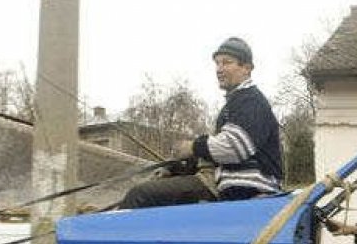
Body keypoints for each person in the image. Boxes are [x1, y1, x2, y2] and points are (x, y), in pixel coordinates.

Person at [119, 37, 284, 209]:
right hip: (233, 190)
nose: (219, 69)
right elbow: (217, 156)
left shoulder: (251, 101)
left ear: (247, 68)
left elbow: (233, 148)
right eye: (217, 64)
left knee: (140, 195)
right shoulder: (236, 103)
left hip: (252, 192)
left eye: (226, 63)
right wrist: (177, 169)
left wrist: (192, 147)